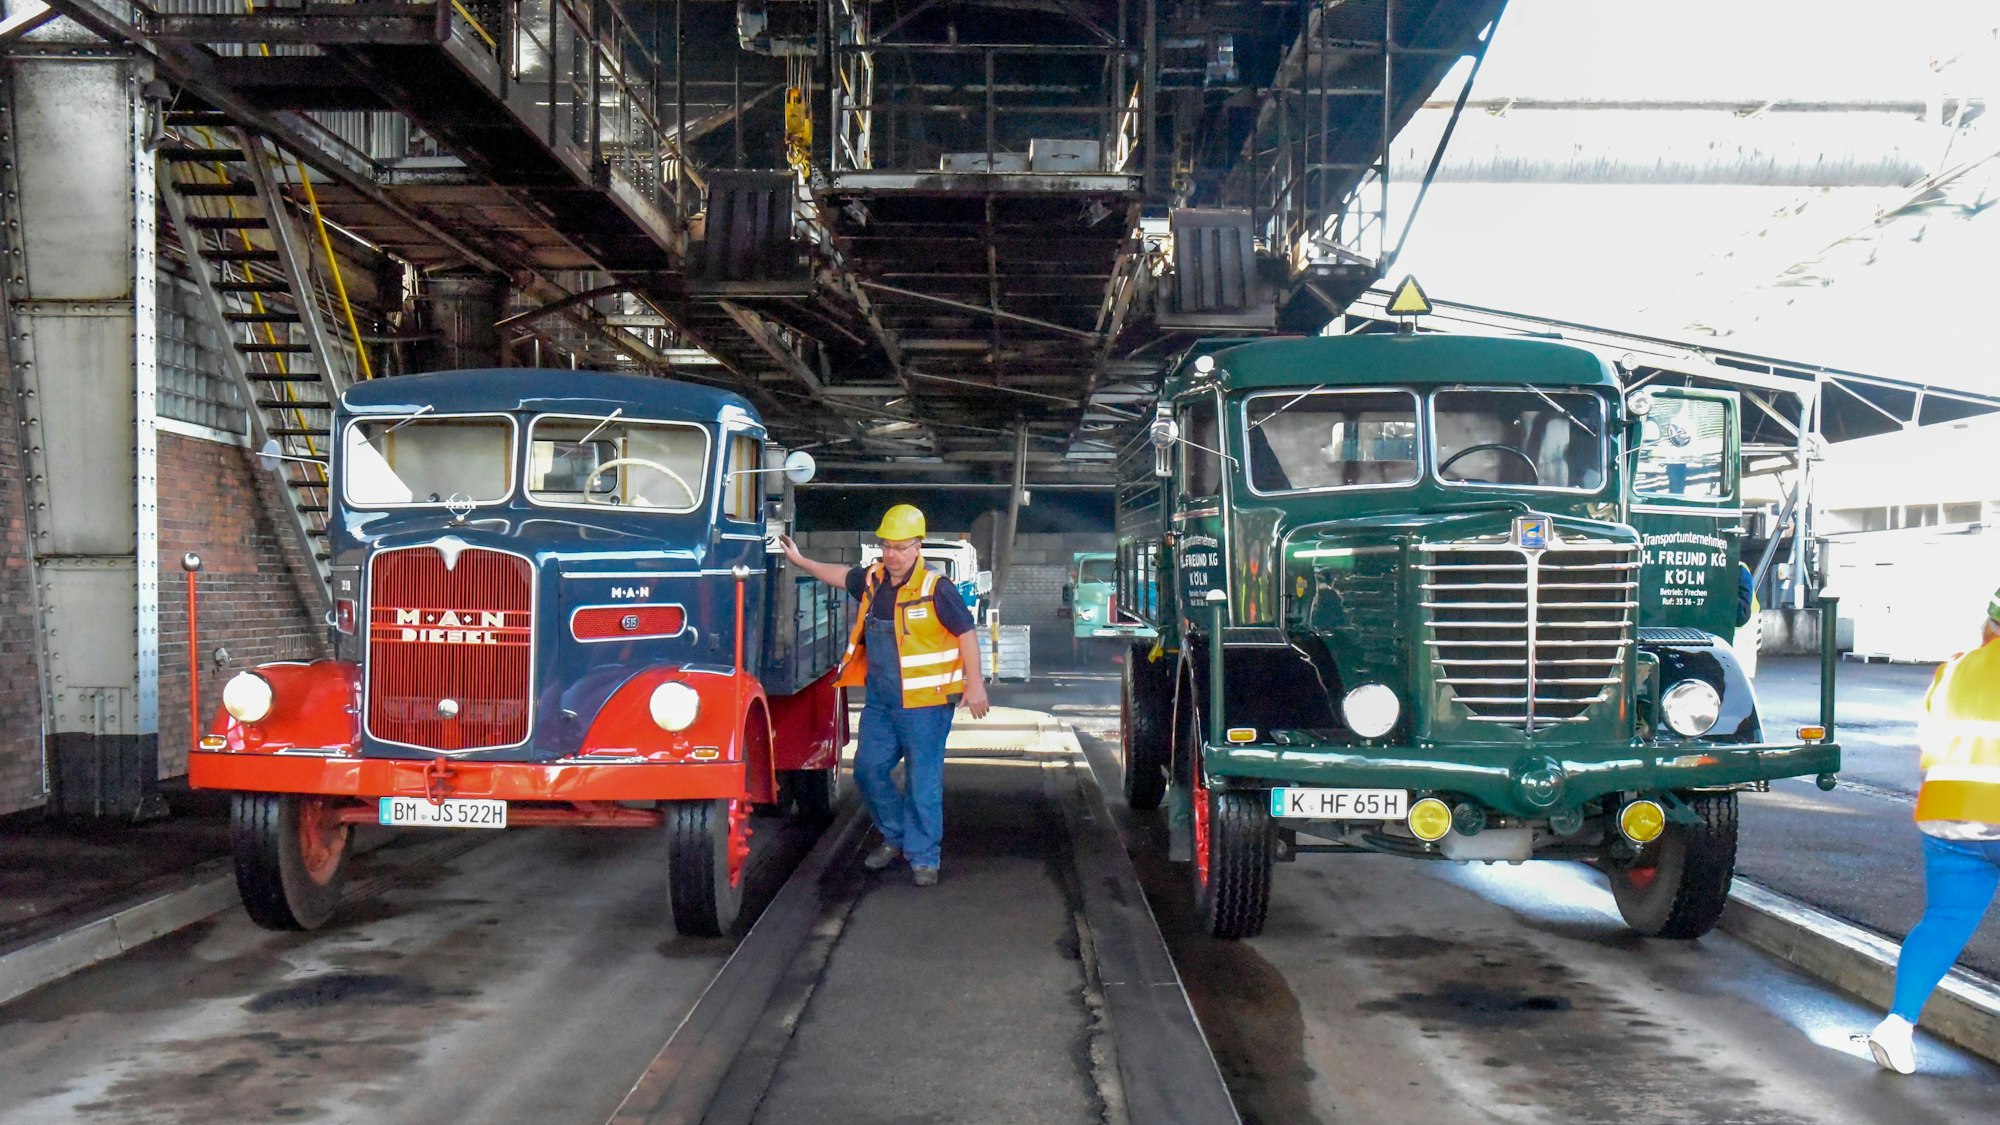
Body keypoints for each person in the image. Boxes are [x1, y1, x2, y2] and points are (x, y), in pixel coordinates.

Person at [780, 504, 989, 886]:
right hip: (882, 701)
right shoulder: (874, 581)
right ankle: (897, 837)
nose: (890, 554)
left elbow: (966, 633)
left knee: (922, 783)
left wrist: (974, 684)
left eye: (899, 547)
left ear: (917, 547)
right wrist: (800, 560)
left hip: (926, 705)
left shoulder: (936, 589)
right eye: (886, 546)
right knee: (867, 770)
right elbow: (841, 575)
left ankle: (925, 858)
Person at [1865, 586, 2000, 1073]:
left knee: (1944, 921)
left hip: (1948, 816)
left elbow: (1929, 739)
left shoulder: (1954, 670)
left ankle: (1897, 1027)